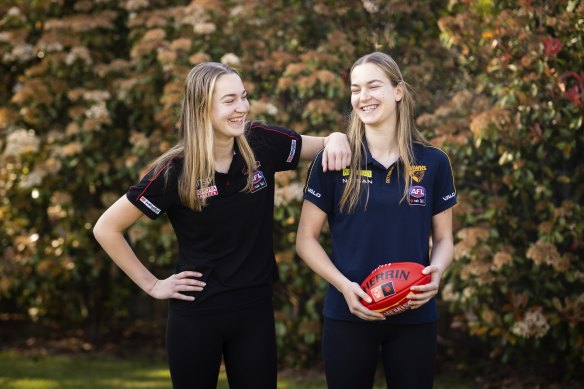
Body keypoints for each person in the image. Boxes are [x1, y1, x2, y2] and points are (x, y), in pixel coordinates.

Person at [93, 62, 351, 389]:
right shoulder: (175, 171)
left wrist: (338, 137)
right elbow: (106, 228)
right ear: (202, 108)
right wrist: (153, 285)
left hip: (254, 311)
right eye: (229, 101)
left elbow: (325, 144)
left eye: (243, 97)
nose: (241, 108)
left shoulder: (262, 143)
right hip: (197, 315)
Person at [296, 52, 456, 389]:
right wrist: (344, 287)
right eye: (355, 89)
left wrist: (437, 273)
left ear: (398, 91)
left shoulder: (434, 162)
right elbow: (305, 240)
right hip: (347, 313)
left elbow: (443, 239)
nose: (363, 97)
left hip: (415, 314)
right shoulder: (335, 159)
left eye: (373, 86)